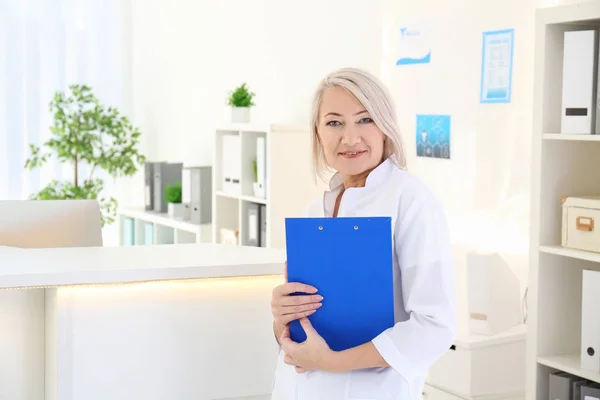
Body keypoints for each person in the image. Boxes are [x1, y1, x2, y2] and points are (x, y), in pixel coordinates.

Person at [269, 67, 456, 400]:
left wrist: (334, 362)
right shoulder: (316, 210)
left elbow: (434, 326)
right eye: (334, 122)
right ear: (318, 133)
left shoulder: (411, 201)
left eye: (365, 119)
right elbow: (307, 324)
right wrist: (282, 318)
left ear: (385, 127)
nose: (350, 138)